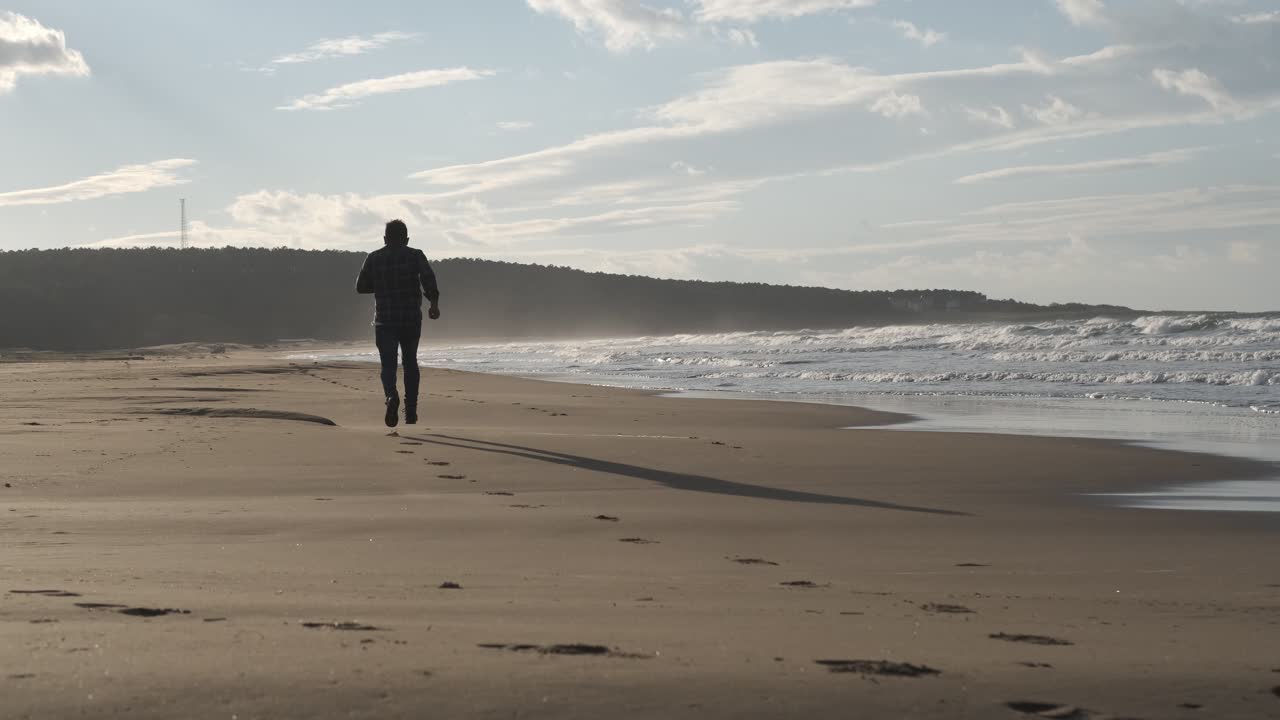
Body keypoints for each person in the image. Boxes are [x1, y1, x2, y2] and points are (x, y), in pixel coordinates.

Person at [356, 219, 441, 427]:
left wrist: (382, 286)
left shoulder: (374, 257)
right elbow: (429, 280)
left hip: (385, 320)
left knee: (388, 364)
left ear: (385, 238)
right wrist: (434, 304)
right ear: (407, 238)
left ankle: (391, 396)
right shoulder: (415, 255)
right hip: (411, 318)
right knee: (410, 361)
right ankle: (410, 410)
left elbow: (360, 287)